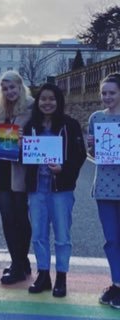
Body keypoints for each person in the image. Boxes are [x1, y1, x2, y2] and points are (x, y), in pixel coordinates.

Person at [23, 83, 86, 297]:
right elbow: (22, 158)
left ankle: (61, 276)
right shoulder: (30, 126)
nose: (47, 103)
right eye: (43, 99)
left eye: (51, 99)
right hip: (37, 188)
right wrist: (19, 145)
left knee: (62, 235)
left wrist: (63, 169)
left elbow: (80, 156)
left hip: (61, 188)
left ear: (58, 102)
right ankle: (43, 274)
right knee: (39, 234)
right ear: (37, 102)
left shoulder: (70, 125)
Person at [0, 70, 34, 284]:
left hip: (21, 171)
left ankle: (20, 262)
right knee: (7, 219)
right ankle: (18, 261)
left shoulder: (31, 109)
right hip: (1, 170)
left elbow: (41, 137)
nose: (9, 92)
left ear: (20, 86)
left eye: (13, 87)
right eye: (5, 89)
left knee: (21, 219)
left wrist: (26, 139)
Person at [87, 73, 120, 309]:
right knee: (111, 240)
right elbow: (93, 154)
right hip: (105, 188)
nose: (107, 97)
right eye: (104, 93)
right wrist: (91, 145)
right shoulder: (96, 118)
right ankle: (116, 283)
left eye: (112, 92)